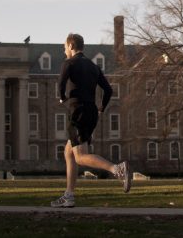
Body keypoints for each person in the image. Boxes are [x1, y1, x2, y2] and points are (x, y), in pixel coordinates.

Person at [50, 33, 131, 208]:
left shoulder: (69, 63)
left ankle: (116, 169)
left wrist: (63, 98)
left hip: (78, 112)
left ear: (71, 46)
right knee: (69, 152)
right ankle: (69, 195)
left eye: (65, 47)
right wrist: (102, 107)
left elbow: (60, 83)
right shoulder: (94, 66)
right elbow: (108, 90)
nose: (64, 50)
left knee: (80, 156)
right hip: (92, 112)